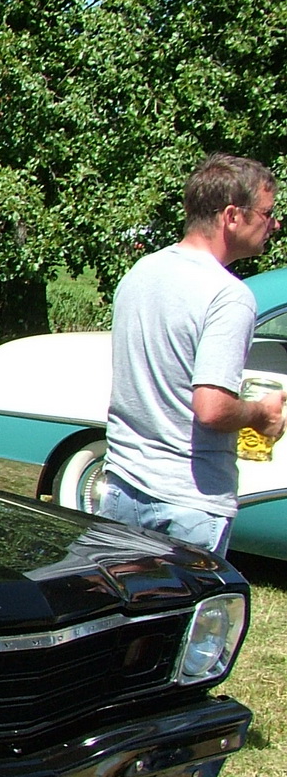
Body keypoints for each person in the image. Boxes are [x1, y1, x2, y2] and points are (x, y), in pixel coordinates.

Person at [99, 153, 286, 556]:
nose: (275, 224)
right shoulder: (229, 296)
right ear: (232, 216)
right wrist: (261, 414)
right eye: (268, 213)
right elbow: (213, 409)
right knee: (182, 601)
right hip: (189, 501)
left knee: (117, 597)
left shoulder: (142, 272)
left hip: (123, 484)